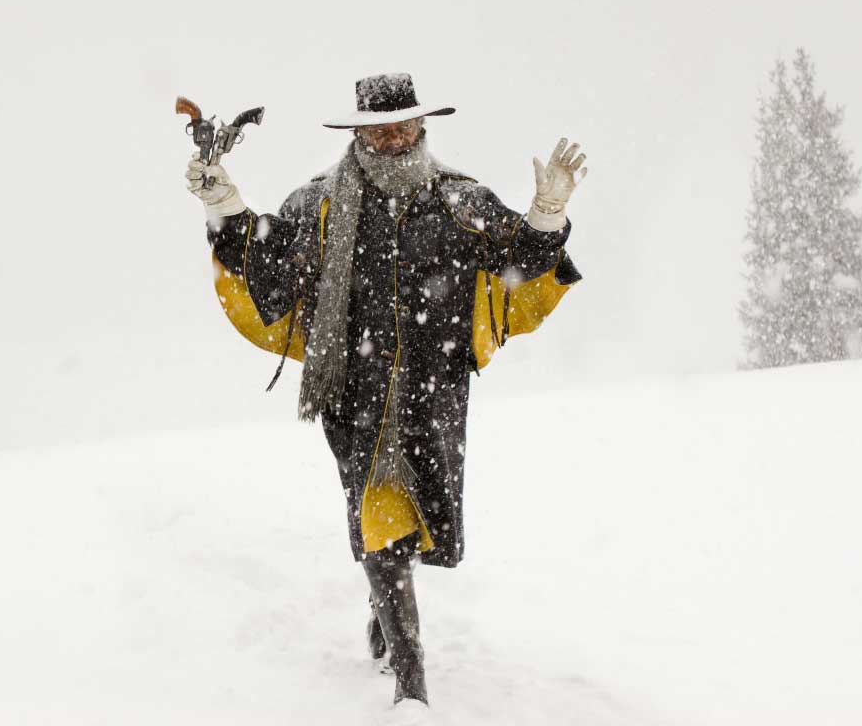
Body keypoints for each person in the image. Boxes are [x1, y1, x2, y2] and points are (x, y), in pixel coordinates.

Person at [186, 73, 586, 715]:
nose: (393, 138)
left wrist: (547, 213)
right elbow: (266, 263)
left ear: (422, 129)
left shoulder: (459, 201)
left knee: (421, 520)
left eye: (404, 126)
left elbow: (522, 258)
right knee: (380, 519)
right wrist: (224, 204)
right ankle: (411, 679)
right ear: (359, 133)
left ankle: (384, 605)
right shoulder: (317, 204)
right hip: (354, 393)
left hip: (435, 392)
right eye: (380, 128)